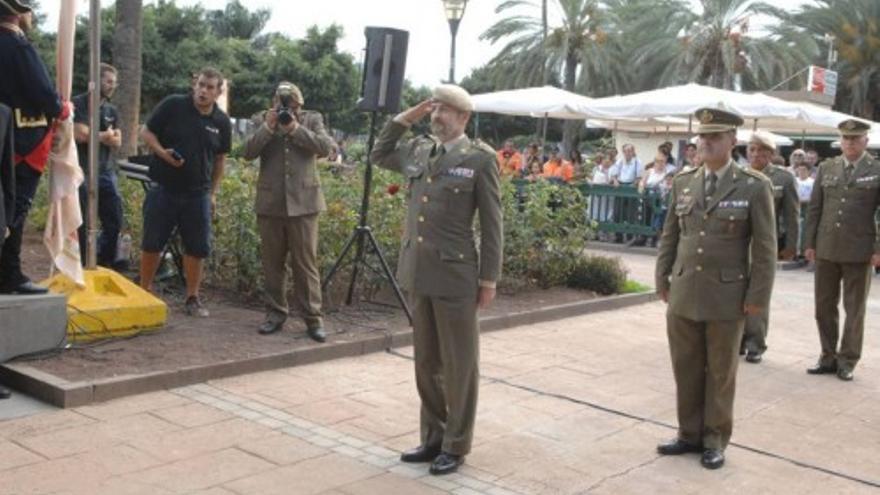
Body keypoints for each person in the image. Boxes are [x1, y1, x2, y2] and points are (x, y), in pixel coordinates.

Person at [371, 84, 503, 476]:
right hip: (419, 271)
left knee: (460, 363)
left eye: (445, 110)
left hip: (456, 274)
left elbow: (493, 224)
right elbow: (379, 153)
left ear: (463, 117)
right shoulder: (419, 150)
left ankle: (456, 444)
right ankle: (433, 437)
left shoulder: (479, 159)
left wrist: (489, 279)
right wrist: (405, 117)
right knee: (426, 361)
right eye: (434, 109)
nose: (436, 116)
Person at [655, 107, 776, 470]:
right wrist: (662, 278)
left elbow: (766, 249)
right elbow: (670, 235)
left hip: (728, 295)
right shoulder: (684, 181)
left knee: (721, 371)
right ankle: (688, 433)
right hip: (684, 290)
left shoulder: (754, 185)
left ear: (732, 141)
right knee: (686, 366)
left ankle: (714, 439)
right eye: (702, 137)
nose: (705, 143)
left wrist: (757, 299)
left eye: (714, 137)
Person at [242, 82, 334, 343]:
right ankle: (275, 314)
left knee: (306, 265)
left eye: (290, 102)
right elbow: (248, 152)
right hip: (270, 203)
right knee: (272, 263)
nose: (286, 107)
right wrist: (268, 127)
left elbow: (325, 147)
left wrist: (295, 128)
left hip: (304, 204)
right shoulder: (262, 119)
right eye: (281, 101)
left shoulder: (312, 119)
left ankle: (313, 319)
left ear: (299, 104)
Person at [139, 67, 231, 317]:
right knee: (152, 242)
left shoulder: (221, 122)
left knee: (197, 247)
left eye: (210, 87)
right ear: (194, 84)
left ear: (218, 92)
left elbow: (220, 159)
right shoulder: (173, 105)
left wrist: (212, 193)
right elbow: (146, 132)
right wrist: (162, 153)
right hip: (164, 188)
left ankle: (192, 298)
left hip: (197, 194)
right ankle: (144, 292)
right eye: (201, 85)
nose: (203, 91)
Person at [804, 119, 880, 382]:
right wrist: (810, 243)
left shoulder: (876, 169)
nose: (850, 143)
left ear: (865, 141)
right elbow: (815, 208)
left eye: (855, 139)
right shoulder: (828, 167)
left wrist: (877, 248)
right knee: (823, 306)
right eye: (846, 139)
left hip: (860, 249)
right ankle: (827, 356)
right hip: (827, 247)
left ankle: (847, 360)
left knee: (854, 309)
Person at [0, 0, 66, 295]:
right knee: (15, 210)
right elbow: (44, 96)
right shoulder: (19, 47)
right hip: (21, 143)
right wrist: (61, 107)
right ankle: (9, 274)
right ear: (17, 13)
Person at [740, 131, 798, 363]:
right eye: (752, 150)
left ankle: (756, 343)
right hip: (738, 243)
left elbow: (792, 215)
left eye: (762, 151)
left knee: (759, 293)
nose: (756, 155)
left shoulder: (783, 178)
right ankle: (739, 339)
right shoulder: (739, 175)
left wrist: (792, 246)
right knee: (736, 292)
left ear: (771, 154)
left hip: (765, 244)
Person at [72, 63, 124, 269]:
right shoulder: (79, 103)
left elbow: (118, 141)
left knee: (114, 216)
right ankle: (83, 262)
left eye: (114, 82)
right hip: (82, 169)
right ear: (96, 81)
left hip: (105, 170)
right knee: (83, 218)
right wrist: (105, 136)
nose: (112, 86)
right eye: (108, 81)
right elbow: (80, 134)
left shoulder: (112, 109)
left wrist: (99, 136)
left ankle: (104, 259)